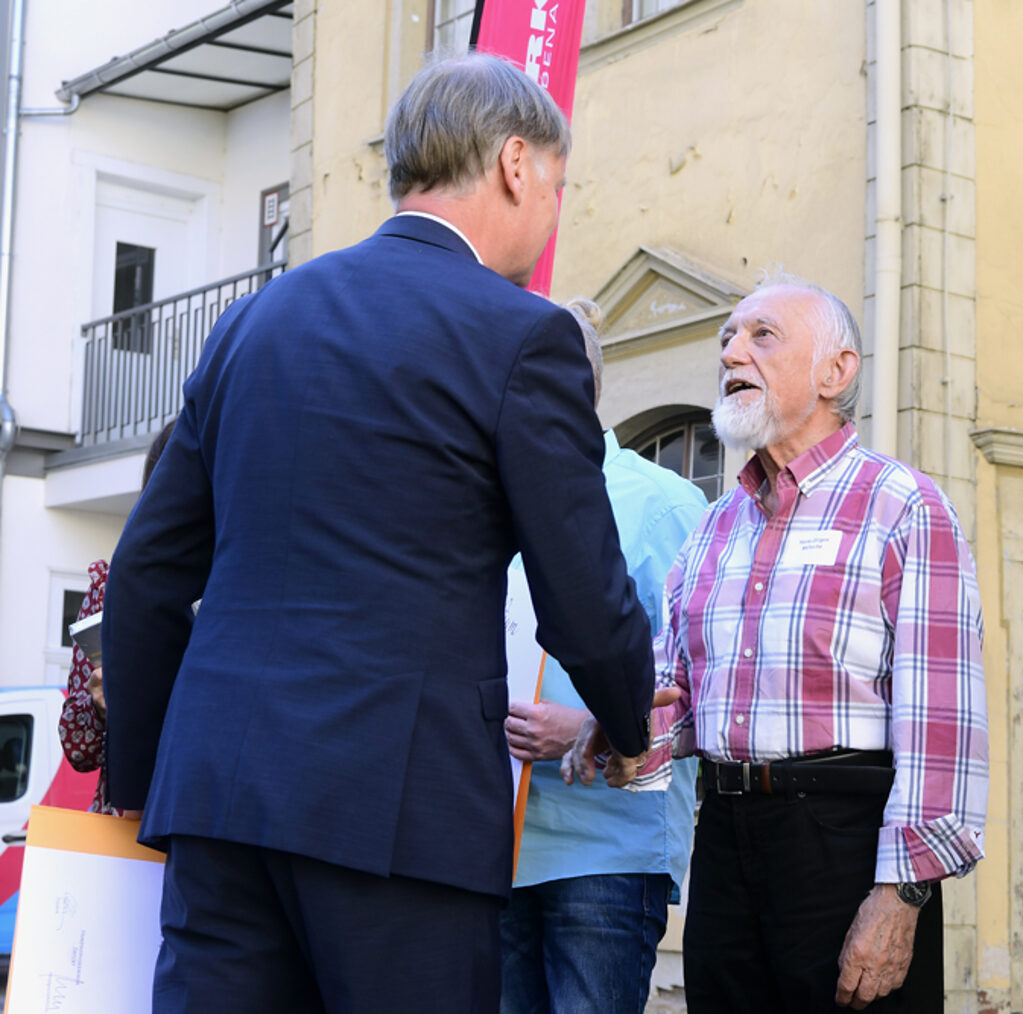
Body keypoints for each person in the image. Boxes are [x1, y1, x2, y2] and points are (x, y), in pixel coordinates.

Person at [101, 54, 656, 1014]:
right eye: (558, 188)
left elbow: (149, 571)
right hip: (402, 815)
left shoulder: (251, 322)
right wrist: (631, 721)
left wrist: (145, 776)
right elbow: (583, 589)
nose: (554, 212)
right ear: (516, 166)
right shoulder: (522, 336)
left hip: (221, 804)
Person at [565, 276, 990, 1013]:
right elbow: (683, 700)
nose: (732, 350)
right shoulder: (712, 530)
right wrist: (620, 727)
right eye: (727, 337)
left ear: (836, 372)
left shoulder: (904, 506)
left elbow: (941, 727)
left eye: (762, 335)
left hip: (845, 847)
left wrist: (902, 896)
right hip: (725, 840)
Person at [499, 298, 705, 1014]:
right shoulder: (485, 502)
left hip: (605, 858)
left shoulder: (664, 503)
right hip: (491, 853)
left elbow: (702, 690)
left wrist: (592, 724)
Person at [58, 420, 175, 816]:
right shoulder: (111, 590)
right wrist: (100, 705)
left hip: (202, 823)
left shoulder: (232, 585)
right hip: (128, 824)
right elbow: (78, 748)